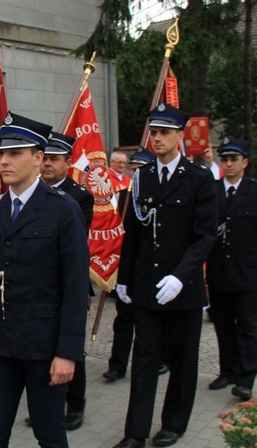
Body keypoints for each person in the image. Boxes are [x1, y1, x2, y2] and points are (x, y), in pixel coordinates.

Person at [0, 112, 89, 448]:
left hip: (43, 347)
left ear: (38, 158)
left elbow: (76, 286)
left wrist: (68, 352)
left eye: (15, 153)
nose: (4, 160)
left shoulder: (62, 210)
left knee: (49, 435)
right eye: (2, 153)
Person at [113, 104, 217, 448]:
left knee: (184, 362)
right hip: (147, 287)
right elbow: (134, 232)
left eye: (164, 133)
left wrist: (180, 277)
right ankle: (135, 432)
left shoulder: (200, 178)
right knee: (143, 361)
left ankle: (174, 423)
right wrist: (124, 278)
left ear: (178, 136)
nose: (156, 139)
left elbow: (205, 237)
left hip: (182, 290)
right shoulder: (142, 177)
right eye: (153, 133)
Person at [206, 137, 257, 401]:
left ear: (244, 163)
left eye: (233, 160)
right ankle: (227, 371)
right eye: (224, 159)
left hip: (247, 273)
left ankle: (246, 378)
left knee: (247, 327)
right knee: (223, 325)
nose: (227, 164)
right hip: (218, 271)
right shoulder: (211, 188)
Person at [39, 131, 94, 431]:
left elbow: (75, 239)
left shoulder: (80, 196)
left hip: (68, 283)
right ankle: (47, 405)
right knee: (43, 348)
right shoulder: (32, 190)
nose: (47, 164)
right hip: (39, 285)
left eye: (54, 160)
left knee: (72, 348)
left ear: (68, 163)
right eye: (45, 158)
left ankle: (76, 404)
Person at [103, 146, 156, 383]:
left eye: (140, 170)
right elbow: (111, 231)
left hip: (153, 271)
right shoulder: (123, 197)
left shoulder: (159, 197)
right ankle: (117, 365)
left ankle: (155, 363)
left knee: (151, 324)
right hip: (128, 270)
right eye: (133, 170)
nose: (135, 175)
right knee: (123, 320)